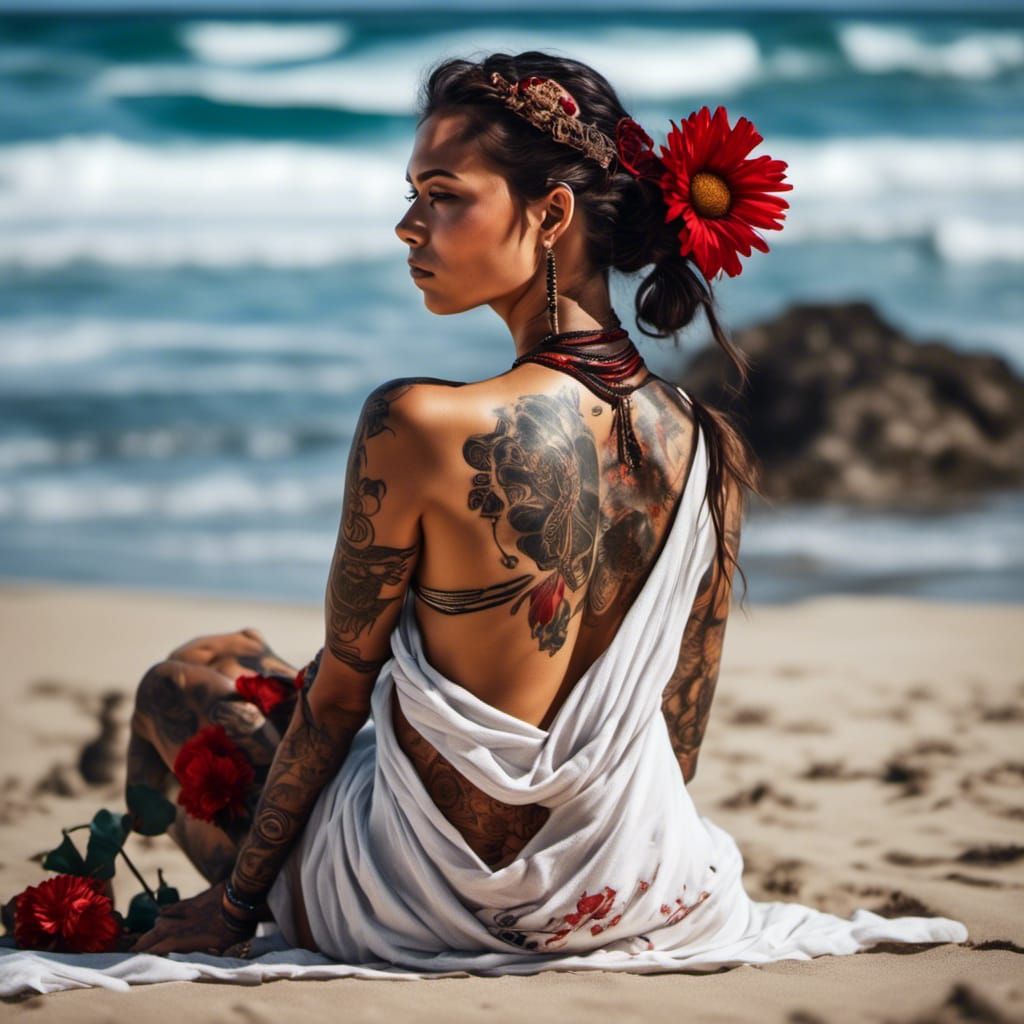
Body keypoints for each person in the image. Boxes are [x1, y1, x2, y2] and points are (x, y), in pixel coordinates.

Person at [123, 52, 967, 972]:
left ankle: (184, 859)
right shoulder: (709, 449)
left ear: (551, 214)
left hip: (425, 895)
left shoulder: (417, 422)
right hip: (637, 884)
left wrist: (238, 911)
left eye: (442, 194)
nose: (409, 227)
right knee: (249, 662)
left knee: (187, 681)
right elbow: (676, 733)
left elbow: (334, 706)